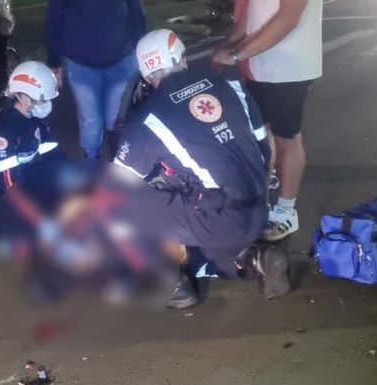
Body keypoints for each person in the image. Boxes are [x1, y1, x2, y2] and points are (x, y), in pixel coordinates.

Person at [112, 29, 290, 308]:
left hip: (218, 217)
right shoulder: (231, 86)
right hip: (256, 206)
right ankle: (257, 258)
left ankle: (172, 285)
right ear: (183, 59)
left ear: (145, 75)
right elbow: (264, 146)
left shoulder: (149, 118)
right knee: (211, 243)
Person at [211, 0, 322, 241]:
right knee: (262, 136)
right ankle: (259, 202)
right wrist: (232, 42)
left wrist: (237, 53)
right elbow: (253, 10)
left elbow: (288, 18)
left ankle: (286, 211)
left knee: (287, 139)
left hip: (288, 68)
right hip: (260, 64)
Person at [0, 61, 62, 257]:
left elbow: (52, 154)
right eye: (42, 100)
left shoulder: (34, 120)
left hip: (23, 171)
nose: (47, 105)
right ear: (24, 98)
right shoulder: (5, 129)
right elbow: (6, 176)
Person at [46, 0, 146, 159]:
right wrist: (54, 60)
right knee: (90, 123)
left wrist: (141, 45)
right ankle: (91, 167)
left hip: (122, 59)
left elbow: (135, 10)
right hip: (81, 65)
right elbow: (54, 16)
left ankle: (119, 163)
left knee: (117, 120)